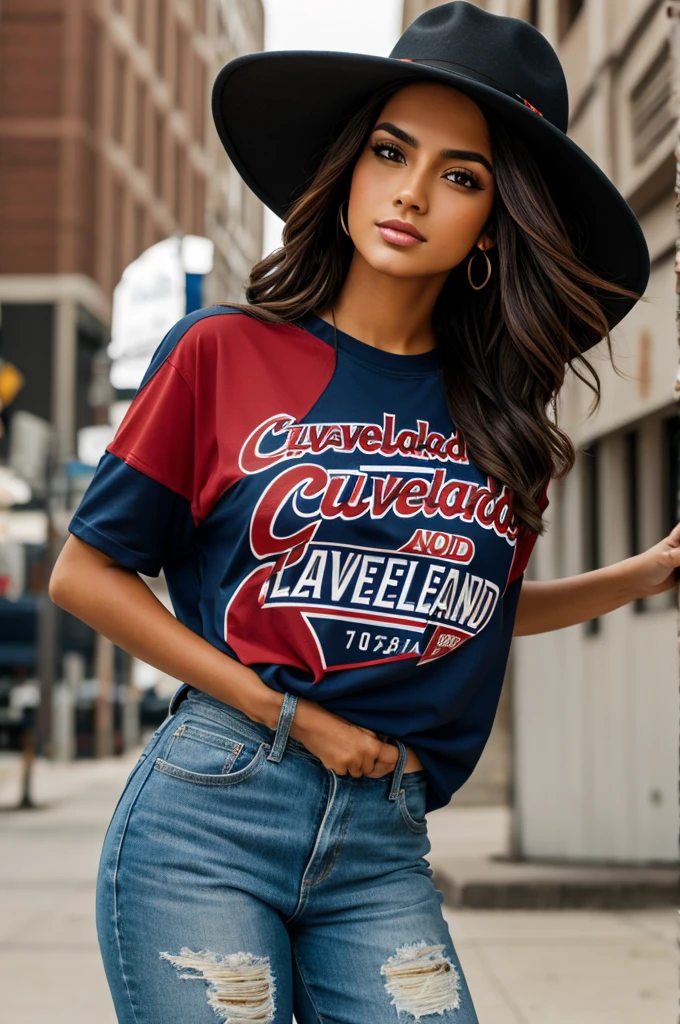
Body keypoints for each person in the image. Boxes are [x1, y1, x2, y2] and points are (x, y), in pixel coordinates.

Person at [49, 4, 680, 1022]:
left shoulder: (498, 414)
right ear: (348, 166)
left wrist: (645, 571)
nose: (412, 192)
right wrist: (284, 713)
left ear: (494, 219)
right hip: (212, 814)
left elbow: (461, 606)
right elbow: (84, 575)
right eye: (391, 151)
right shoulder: (223, 353)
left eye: (460, 175)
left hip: (381, 842)